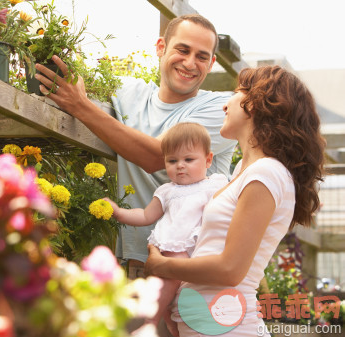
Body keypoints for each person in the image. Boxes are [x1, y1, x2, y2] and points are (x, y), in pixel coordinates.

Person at [34, 14, 237, 277]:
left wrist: (81, 106)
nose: (190, 63)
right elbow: (76, 85)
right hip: (139, 262)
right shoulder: (130, 92)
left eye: (201, 56)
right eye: (182, 50)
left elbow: (157, 156)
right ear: (161, 48)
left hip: (195, 269)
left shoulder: (219, 108)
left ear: (211, 64)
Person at [144, 65, 326, 336]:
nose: (225, 104)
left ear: (256, 104)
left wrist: (161, 265)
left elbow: (230, 269)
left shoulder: (267, 173)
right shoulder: (243, 171)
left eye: (236, 93)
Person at [104, 122, 228, 336]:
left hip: (202, 250)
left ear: (208, 160)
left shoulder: (216, 185)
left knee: (187, 296)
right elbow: (145, 215)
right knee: (165, 286)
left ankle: (169, 320)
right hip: (173, 249)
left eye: (189, 159)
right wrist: (118, 212)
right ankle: (150, 322)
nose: (180, 165)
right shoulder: (168, 191)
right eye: (172, 160)